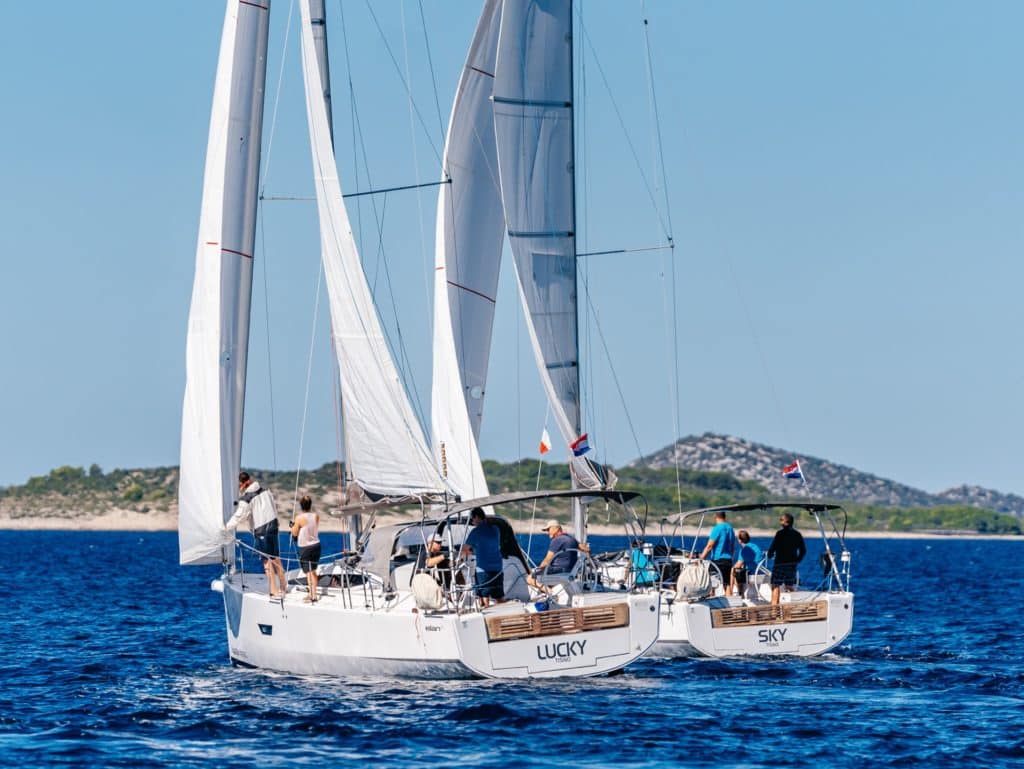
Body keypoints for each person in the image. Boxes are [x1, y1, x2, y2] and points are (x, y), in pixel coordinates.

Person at [225, 471, 288, 598]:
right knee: (276, 558)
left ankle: (274, 591)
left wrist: (225, 527)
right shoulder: (266, 491)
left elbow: (239, 517)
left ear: (244, 483)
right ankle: (283, 586)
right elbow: (274, 508)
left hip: (262, 531)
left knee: (267, 562)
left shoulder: (246, 498)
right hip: (273, 526)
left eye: (240, 485)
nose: (240, 488)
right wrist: (276, 523)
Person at [460, 508, 505, 606]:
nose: (472, 522)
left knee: (484, 599)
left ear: (476, 517)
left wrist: (470, 553)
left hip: (483, 570)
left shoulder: (476, 532)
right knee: (499, 597)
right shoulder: (496, 529)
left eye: (472, 519)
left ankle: (486, 613)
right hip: (498, 568)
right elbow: (490, 544)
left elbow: (464, 550)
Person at [527, 520, 589, 589]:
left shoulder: (557, 540)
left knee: (530, 578)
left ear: (556, 528)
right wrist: (590, 563)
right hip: (570, 571)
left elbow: (547, 560)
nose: (547, 532)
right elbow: (586, 549)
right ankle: (549, 590)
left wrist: (539, 569)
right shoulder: (572, 539)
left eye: (548, 529)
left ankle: (550, 592)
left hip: (557, 571)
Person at [767, 512, 806, 605]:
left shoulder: (780, 534)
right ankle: (792, 607)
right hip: (792, 564)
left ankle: (774, 609)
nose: (780, 522)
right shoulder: (797, 534)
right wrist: (798, 560)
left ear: (786, 522)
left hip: (780, 563)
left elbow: (773, 547)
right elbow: (803, 550)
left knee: (775, 585)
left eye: (781, 520)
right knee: (789, 586)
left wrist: (769, 554)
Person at [290, 495, 320, 603]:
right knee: (313, 571)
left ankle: (312, 595)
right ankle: (313, 592)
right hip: (316, 545)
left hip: (305, 547)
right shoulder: (316, 516)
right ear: (310, 505)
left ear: (301, 505)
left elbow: (294, 533)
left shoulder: (299, 518)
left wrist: (292, 526)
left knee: (308, 572)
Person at [699, 510, 737, 595]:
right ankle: (729, 600)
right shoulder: (730, 528)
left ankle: (711, 600)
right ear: (724, 516)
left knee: (710, 583)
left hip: (717, 560)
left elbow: (710, 546)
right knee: (727, 584)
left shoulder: (717, 528)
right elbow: (733, 547)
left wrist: (701, 558)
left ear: (715, 517)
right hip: (728, 560)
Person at [729, 530, 764, 597]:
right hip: (761, 571)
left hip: (752, 574)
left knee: (733, 570)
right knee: (740, 570)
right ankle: (740, 593)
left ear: (740, 540)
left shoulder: (744, 549)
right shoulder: (756, 546)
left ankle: (733, 593)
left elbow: (738, 565)